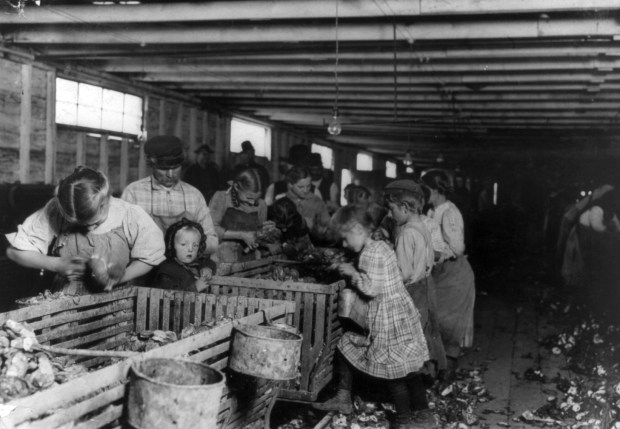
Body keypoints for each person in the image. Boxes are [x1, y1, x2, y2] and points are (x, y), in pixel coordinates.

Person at [314, 206, 434, 429]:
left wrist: (352, 272)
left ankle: (403, 421)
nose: (344, 244)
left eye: (345, 239)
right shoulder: (381, 245)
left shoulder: (370, 253)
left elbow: (371, 288)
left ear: (357, 229)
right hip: (401, 315)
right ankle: (425, 416)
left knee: (394, 375)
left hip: (388, 319)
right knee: (409, 370)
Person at [5, 166, 165, 295]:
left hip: (116, 297)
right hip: (65, 297)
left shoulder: (130, 214)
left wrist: (119, 277)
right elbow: (15, 253)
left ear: (106, 200)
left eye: (94, 223)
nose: (87, 229)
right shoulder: (54, 210)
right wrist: (55, 264)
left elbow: (149, 257)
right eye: (79, 225)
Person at [384, 180, 447, 381]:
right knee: (423, 333)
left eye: (391, 209)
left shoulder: (405, 233)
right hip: (425, 285)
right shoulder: (421, 226)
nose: (389, 213)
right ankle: (426, 376)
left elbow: (403, 273)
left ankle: (409, 381)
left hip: (411, 290)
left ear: (404, 208)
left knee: (407, 338)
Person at [121, 135, 218, 255]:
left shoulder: (194, 196)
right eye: (163, 168)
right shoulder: (133, 193)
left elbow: (213, 241)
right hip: (145, 268)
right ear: (152, 165)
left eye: (176, 167)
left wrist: (192, 245)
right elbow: (121, 240)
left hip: (184, 269)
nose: (171, 174)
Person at [422, 170, 476, 382]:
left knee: (449, 327)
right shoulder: (431, 211)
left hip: (454, 277)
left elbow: (457, 248)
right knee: (434, 323)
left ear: (435, 190)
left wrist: (431, 253)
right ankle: (435, 375)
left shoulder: (449, 212)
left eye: (425, 189)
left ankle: (446, 379)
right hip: (440, 275)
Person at [209, 167, 272, 262]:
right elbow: (210, 229)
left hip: (249, 259)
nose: (252, 202)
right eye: (249, 197)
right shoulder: (222, 198)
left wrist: (265, 232)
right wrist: (241, 235)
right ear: (236, 187)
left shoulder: (261, 205)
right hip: (221, 258)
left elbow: (259, 234)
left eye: (257, 198)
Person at [152, 218, 216, 292]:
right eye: (183, 244)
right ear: (172, 245)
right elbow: (169, 297)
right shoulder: (166, 270)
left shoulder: (195, 262)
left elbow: (207, 261)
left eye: (195, 245)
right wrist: (195, 288)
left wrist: (207, 268)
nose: (190, 249)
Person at [284, 166, 334, 244]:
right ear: (290, 184)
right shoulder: (283, 202)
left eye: (308, 186)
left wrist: (315, 228)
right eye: (301, 187)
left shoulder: (316, 201)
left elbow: (329, 229)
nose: (306, 190)